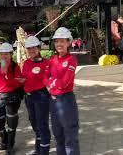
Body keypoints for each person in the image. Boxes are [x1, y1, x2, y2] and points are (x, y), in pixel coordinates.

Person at [45, 27, 80, 155]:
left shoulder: (71, 60)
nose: (59, 44)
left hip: (66, 101)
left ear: (68, 42)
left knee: (70, 136)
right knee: (58, 135)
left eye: (62, 41)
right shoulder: (52, 60)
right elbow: (45, 77)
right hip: (53, 102)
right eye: (56, 41)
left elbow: (65, 82)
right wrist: (52, 83)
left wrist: (52, 83)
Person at [0, 42, 23, 155]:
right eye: (2, 54)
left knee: (12, 123)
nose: (4, 56)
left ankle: (9, 145)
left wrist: (7, 74)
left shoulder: (15, 67)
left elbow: (18, 83)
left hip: (12, 98)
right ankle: (5, 140)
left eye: (6, 54)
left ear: (11, 54)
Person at [22, 36, 51, 155]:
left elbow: (48, 80)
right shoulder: (26, 63)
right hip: (29, 97)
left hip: (41, 97)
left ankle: (44, 151)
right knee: (34, 124)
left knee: (42, 124)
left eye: (33, 48)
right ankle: (38, 149)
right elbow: (24, 78)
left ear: (39, 48)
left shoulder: (46, 63)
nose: (31, 51)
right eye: (29, 49)